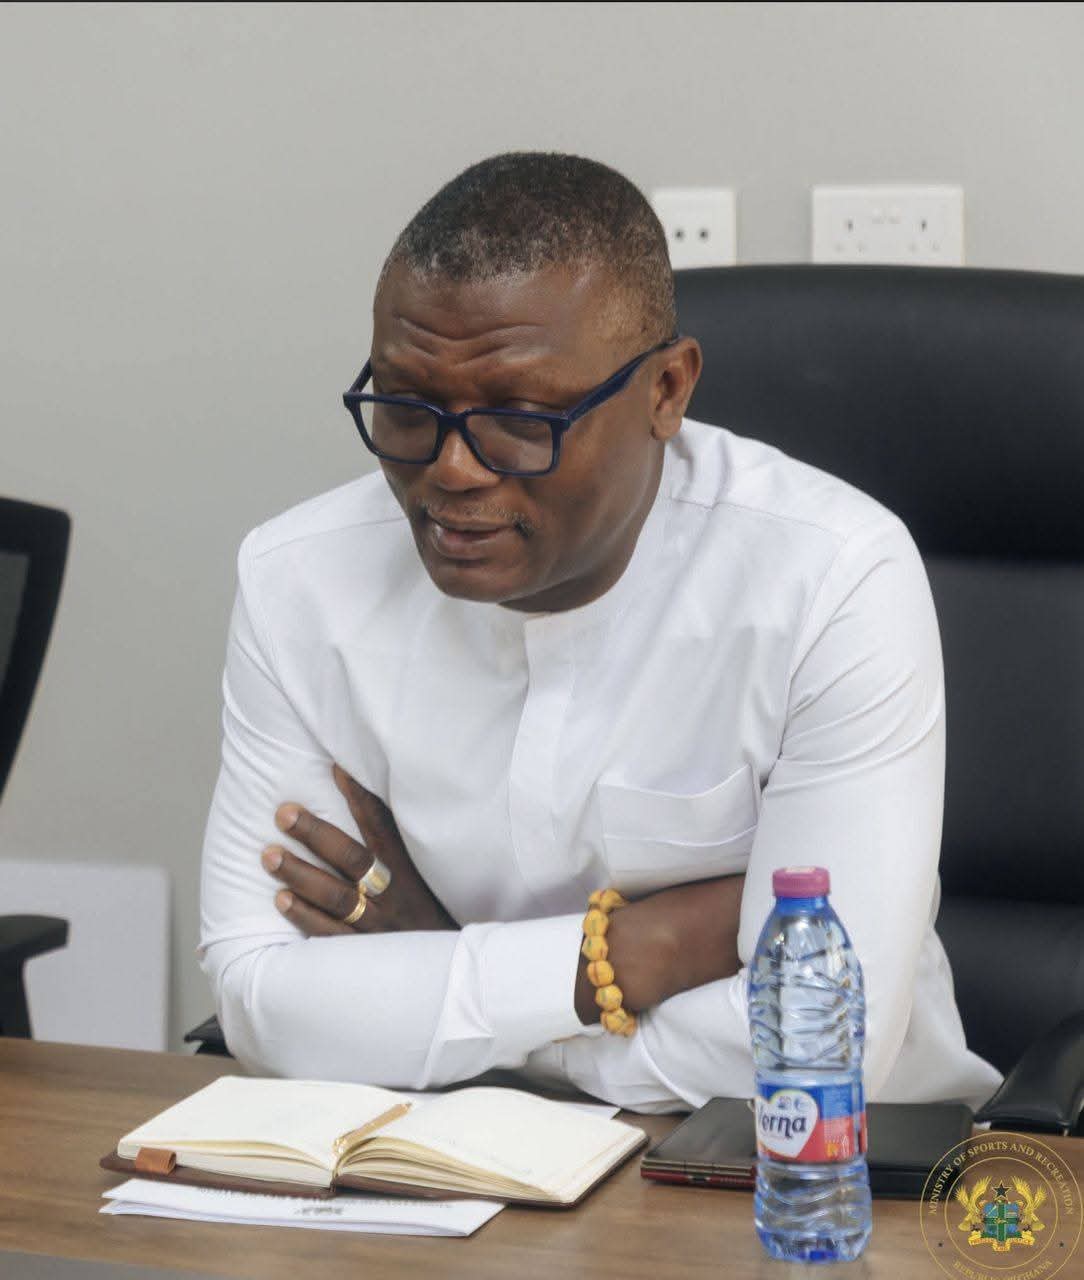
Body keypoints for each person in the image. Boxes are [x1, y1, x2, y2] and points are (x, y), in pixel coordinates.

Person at [198, 152, 1002, 1113]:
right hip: (445, 1161)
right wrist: (626, 955)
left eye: (520, 418)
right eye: (406, 408)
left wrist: (454, 991)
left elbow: (820, 1045)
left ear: (666, 391)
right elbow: (258, 998)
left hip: (827, 1166)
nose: (451, 470)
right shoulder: (298, 579)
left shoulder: (831, 577)